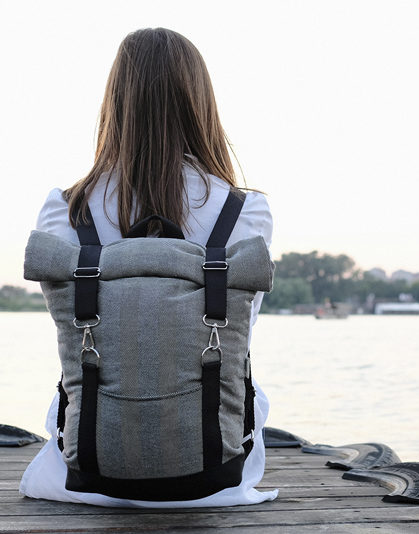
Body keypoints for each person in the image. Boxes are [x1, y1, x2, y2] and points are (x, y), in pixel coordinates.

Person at [19, 27, 277, 507]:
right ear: (200, 103)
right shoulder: (246, 210)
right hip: (217, 475)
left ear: (115, 101)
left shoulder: (65, 208)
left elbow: (68, 330)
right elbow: (245, 327)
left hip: (85, 471)